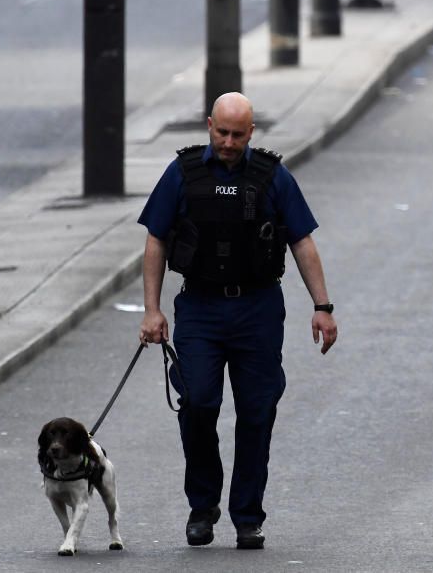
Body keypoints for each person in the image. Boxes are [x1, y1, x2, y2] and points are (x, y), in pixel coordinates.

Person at [138, 92, 337, 550]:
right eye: (221, 132)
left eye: (237, 134)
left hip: (258, 308)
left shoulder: (272, 176)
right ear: (209, 125)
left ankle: (247, 515)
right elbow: (156, 242)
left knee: (256, 412)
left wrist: (322, 307)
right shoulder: (182, 172)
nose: (228, 142)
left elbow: (302, 242)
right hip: (201, 308)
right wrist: (152, 309)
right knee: (199, 403)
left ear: (252, 132)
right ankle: (203, 505)